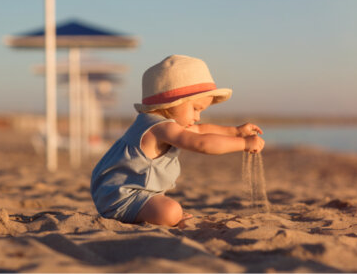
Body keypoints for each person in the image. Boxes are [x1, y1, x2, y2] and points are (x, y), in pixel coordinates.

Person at [90, 55, 265, 227]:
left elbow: (201, 130)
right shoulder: (160, 127)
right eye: (196, 109)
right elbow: (201, 143)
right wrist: (243, 144)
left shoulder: (157, 123)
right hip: (123, 197)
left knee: (168, 207)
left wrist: (235, 132)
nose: (197, 117)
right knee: (171, 211)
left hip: (124, 193)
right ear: (173, 103)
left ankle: (156, 211)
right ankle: (158, 216)